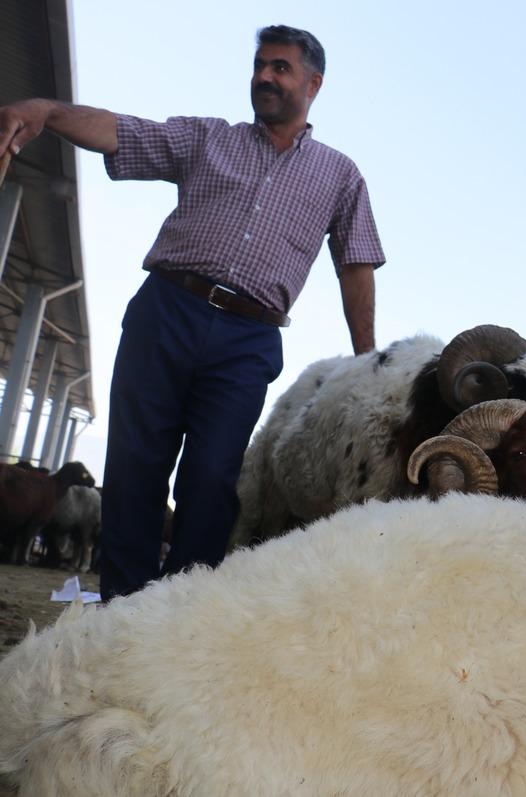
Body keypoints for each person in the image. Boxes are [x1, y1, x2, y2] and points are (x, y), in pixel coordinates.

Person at [0, 25, 385, 601]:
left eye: (280, 67)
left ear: (313, 83)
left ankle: (180, 611)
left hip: (248, 338)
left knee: (211, 477)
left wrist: (365, 363)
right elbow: (122, 133)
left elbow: (355, 264)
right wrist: (47, 110)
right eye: (259, 65)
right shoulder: (209, 139)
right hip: (166, 313)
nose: (264, 77)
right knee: (135, 466)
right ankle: (122, 613)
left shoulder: (341, 175)